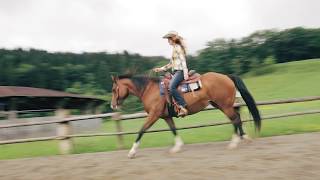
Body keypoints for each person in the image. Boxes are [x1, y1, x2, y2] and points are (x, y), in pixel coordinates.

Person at [153, 31, 189, 117]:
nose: (168, 41)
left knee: (171, 87)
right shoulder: (174, 48)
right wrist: (160, 69)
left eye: (169, 39)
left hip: (180, 71)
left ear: (173, 39)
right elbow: (171, 64)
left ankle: (183, 106)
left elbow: (183, 60)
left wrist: (185, 72)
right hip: (176, 71)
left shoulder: (178, 48)